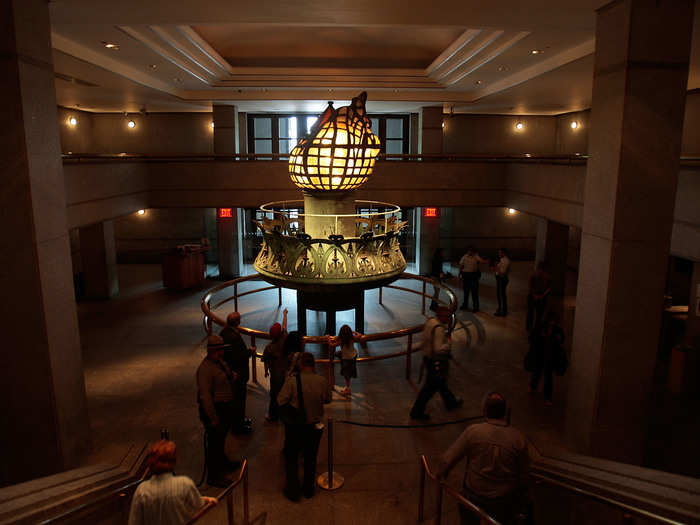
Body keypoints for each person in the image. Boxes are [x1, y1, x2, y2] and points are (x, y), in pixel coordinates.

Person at [437, 393, 530, 525]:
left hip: (474, 494)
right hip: (503, 498)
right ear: (504, 412)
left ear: (485, 411)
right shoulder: (518, 439)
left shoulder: (473, 431)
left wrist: (441, 473)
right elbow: (524, 474)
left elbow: (448, 459)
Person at [277, 352, 331, 501]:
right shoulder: (321, 381)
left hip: (295, 426)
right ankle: (308, 489)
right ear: (313, 365)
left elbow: (280, 400)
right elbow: (327, 399)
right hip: (314, 427)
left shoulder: (293, 382)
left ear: (300, 365)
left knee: (292, 458)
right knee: (310, 458)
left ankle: (293, 491)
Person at [128, 440, 217, 525]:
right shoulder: (184, 483)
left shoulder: (142, 490)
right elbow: (197, 503)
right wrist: (207, 500)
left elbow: (134, 521)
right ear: (173, 461)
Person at [196, 336, 241, 487]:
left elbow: (225, 374)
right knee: (214, 443)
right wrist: (213, 417)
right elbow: (205, 397)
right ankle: (214, 475)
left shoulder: (218, 362)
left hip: (225, 408)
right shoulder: (205, 370)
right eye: (219, 350)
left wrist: (231, 376)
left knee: (220, 440)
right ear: (212, 351)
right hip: (215, 410)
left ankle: (223, 462)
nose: (222, 352)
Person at [410, 306, 463, 420]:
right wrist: (448, 343)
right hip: (436, 361)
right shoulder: (439, 328)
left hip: (428, 358)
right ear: (441, 316)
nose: (449, 319)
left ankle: (450, 402)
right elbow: (438, 348)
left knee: (441, 383)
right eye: (447, 317)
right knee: (430, 388)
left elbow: (424, 341)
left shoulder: (430, 322)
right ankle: (416, 412)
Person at [220, 312, 254, 434]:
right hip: (239, 374)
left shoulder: (223, 333)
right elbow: (240, 356)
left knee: (235, 399)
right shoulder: (234, 337)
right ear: (237, 322)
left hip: (231, 372)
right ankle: (238, 426)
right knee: (239, 400)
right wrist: (250, 351)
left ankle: (238, 421)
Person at [529, 312, 565, 406]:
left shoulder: (558, 330)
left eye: (553, 322)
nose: (552, 323)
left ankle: (547, 397)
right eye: (551, 321)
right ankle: (533, 386)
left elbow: (562, 342)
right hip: (540, 356)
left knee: (548, 378)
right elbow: (532, 338)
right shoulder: (540, 327)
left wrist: (558, 339)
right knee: (537, 373)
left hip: (550, 358)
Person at [262, 308, 288, 422]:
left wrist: (266, 371)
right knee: (285, 395)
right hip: (285, 374)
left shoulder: (269, 348)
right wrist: (285, 314)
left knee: (274, 395)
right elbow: (285, 326)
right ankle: (284, 415)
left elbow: (266, 361)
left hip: (275, 376)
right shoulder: (284, 339)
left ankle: (273, 415)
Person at [458, 246, 488, 312]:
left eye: (471, 251)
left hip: (473, 276)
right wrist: (459, 275)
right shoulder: (464, 257)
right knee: (466, 292)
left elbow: (481, 261)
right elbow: (461, 266)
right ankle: (465, 305)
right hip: (466, 276)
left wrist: (486, 261)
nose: (469, 252)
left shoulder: (476, 256)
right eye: (469, 251)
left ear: (473, 251)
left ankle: (476, 307)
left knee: (474, 292)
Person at [527, 262, 552, 332]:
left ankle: (536, 328)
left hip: (540, 296)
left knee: (539, 313)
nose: (540, 271)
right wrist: (535, 295)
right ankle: (530, 328)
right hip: (533, 295)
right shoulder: (533, 276)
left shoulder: (547, 277)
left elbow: (549, 288)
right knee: (531, 313)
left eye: (542, 270)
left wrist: (542, 295)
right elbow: (530, 286)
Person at [336, 324, 358, 396]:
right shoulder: (352, 338)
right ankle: (347, 388)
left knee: (346, 374)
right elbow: (360, 335)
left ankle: (348, 389)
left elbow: (333, 344)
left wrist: (328, 340)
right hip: (353, 356)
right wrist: (354, 332)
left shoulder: (341, 340)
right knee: (348, 373)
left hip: (346, 358)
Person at [494, 248, 511, 317]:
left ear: (504, 253)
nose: (499, 254)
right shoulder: (502, 260)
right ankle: (500, 309)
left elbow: (502, 273)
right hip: (500, 279)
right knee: (500, 295)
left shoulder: (505, 261)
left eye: (500, 253)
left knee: (501, 295)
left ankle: (503, 311)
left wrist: (496, 267)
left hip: (502, 279)